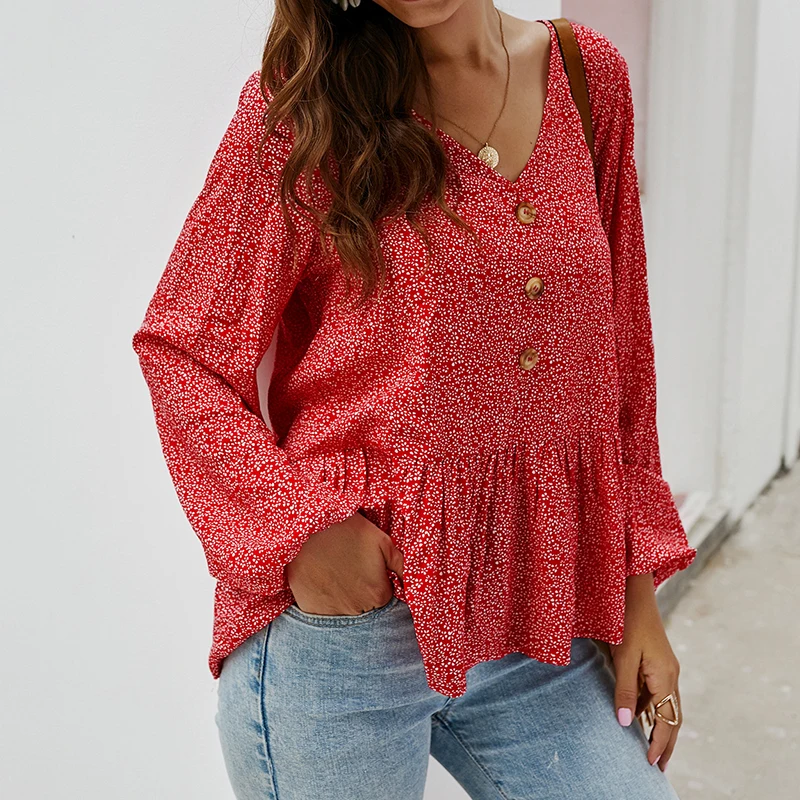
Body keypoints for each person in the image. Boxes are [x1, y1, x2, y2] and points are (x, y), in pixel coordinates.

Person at [132, 1, 697, 797]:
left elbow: (622, 355)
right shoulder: (308, 107)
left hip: (537, 631)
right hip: (352, 639)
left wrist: (638, 600)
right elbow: (183, 347)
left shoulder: (585, 77)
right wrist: (303, 531)